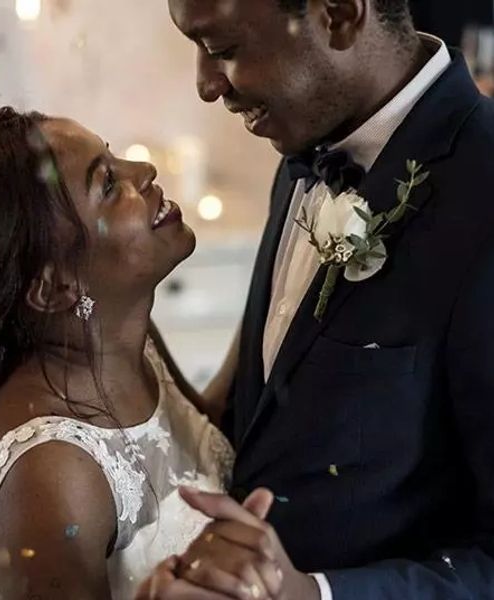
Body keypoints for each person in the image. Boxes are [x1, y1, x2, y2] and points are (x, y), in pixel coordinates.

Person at [139, 0, 494, 598]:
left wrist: (315, 593)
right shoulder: (304, 153)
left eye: (223, 49)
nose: (205, 85)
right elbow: (259, 425)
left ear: (337, 14)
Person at [0, 107, 280, 599]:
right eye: (108, 185)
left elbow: (210, 426)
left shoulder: (128, 344)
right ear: (54, 287)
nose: (143, 173)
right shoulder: (50, 473)